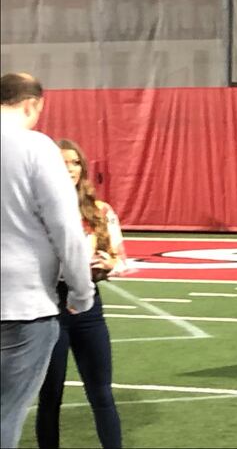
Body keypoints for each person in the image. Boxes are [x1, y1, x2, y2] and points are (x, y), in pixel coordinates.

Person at [1, 74, 93, 449]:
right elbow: (65, 227)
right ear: (32, 104)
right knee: (6, 413)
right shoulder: (35, 147)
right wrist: (81, 290)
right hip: (23, 304)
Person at [35, 139, 125, 449]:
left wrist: (107, 263)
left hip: (89, 306)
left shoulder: (100, 210)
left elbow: (118, 257)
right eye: (63, 163)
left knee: (101, 393)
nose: (70, 169)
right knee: (50, 395)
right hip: (50, 305)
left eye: (75, 163)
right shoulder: (37, 210)